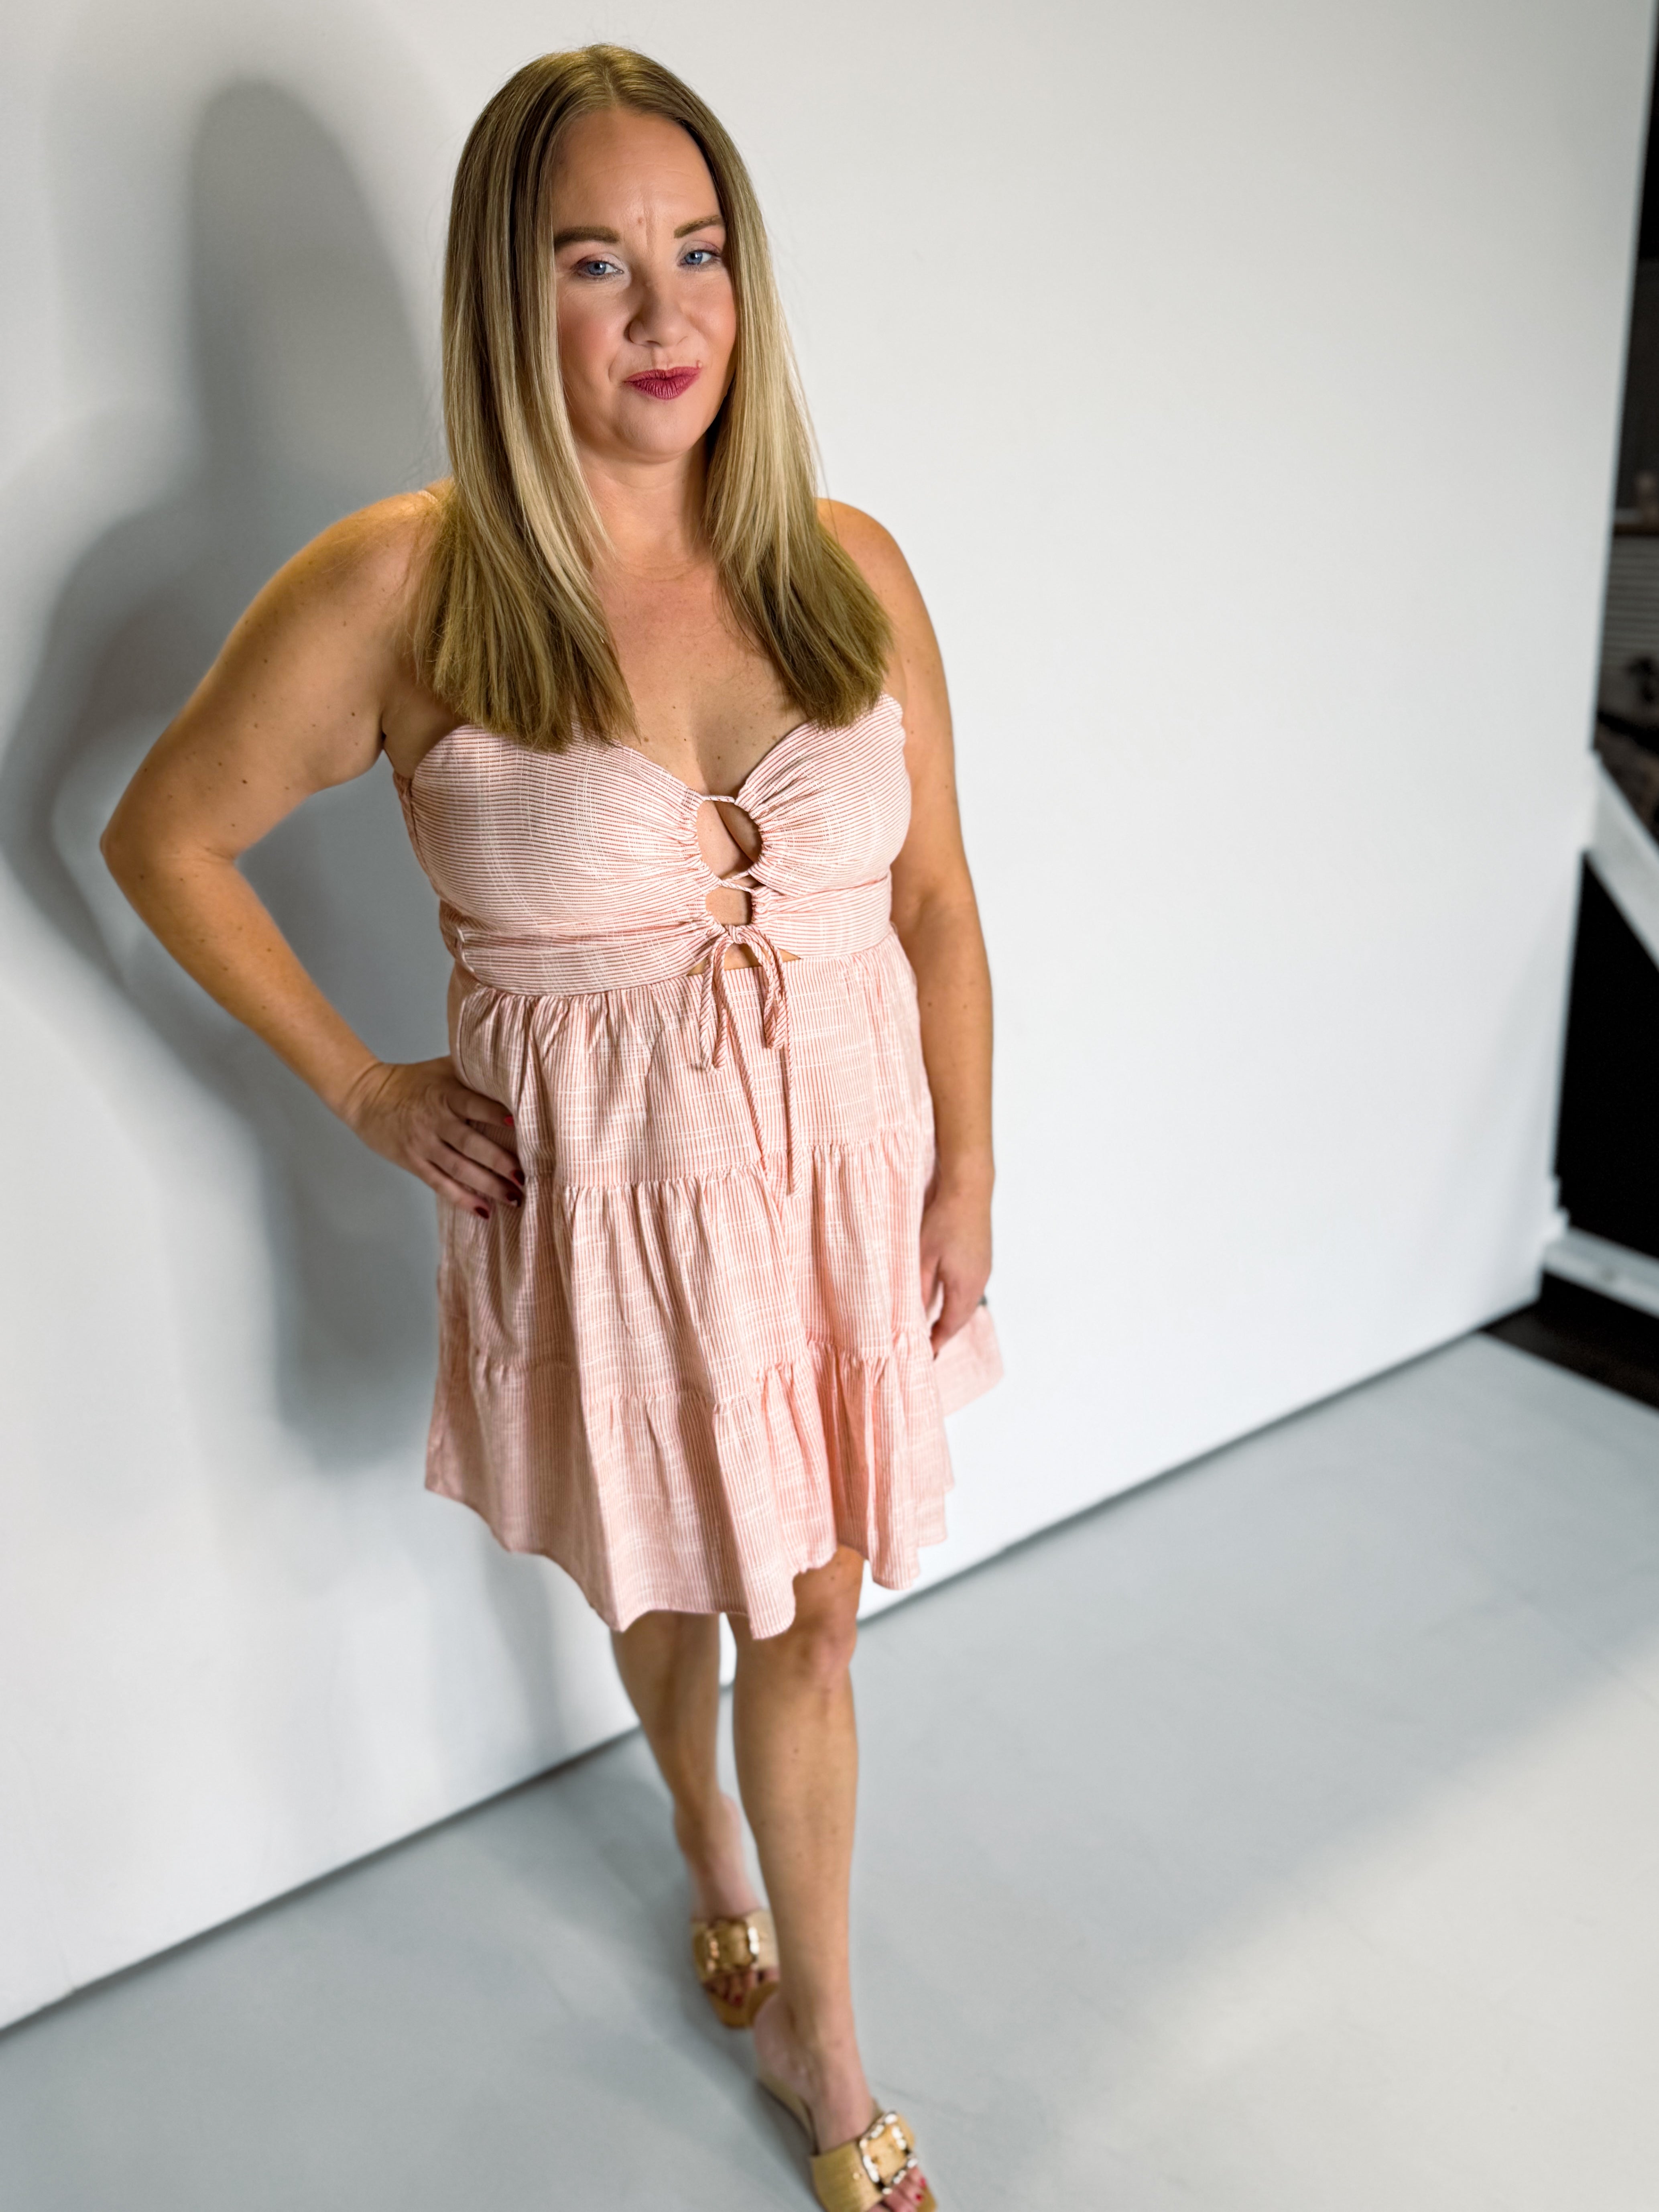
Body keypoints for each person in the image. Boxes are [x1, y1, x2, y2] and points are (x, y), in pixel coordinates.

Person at [103, 45, 997, 2212]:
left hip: (838, 1194)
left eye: (698, 252)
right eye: (597, 263)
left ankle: (820, 2035)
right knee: (671, 1578)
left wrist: (969, 1167)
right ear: (510, 302)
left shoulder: (847, 567)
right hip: (610, 1218)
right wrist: (362, 1085)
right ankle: (704, 1831)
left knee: (815, 1617)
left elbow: (940, 907)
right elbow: (161, 833)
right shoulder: (403, 590)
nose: (664, 312)